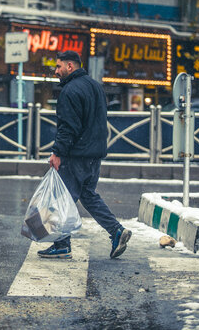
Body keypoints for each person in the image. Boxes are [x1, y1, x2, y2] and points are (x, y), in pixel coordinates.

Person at [40, 50, 131, 259]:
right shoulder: (96, 87)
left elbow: (68, 127)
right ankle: (116, 231)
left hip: (76, 155)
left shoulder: (69, 91)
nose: (56, 71)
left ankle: (62, 244)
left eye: (58, 66)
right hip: (94, 154)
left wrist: (57, 153)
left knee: (62, 198)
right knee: (88, 195)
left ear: (70, 66)